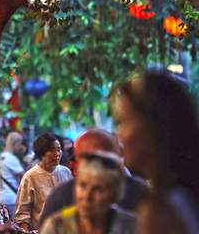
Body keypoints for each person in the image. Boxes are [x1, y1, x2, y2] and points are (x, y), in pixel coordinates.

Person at [111, 69, 199, 234]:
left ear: (155, 125)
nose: (118, 134)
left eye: (124, 121)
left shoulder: (160, 213)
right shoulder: (181, 198)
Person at [39, 128, 148, 226]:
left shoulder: (138, 193)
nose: (95, 165)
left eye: (102, 158)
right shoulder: (61, 197)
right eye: (88, 159)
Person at [40, 151, 136, 234]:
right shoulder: (57, 225)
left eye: (98, 189)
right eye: (83, 185)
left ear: (114, 194)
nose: (87, 196)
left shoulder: (131, 226)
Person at [14, 133, 72, 230]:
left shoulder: (66, 172)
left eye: (59, 149)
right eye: (52, 150)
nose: (57, 154)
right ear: (41, 153)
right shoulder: (30, 177)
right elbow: (22, 214)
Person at [0, 132, 25, 217]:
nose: (20, 147)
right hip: (11, 199)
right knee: (14, 223)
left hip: (0, 198)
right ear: (14, 143)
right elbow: (25, 177)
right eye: (20, 144)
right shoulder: (11, 158)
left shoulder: (0, 157)